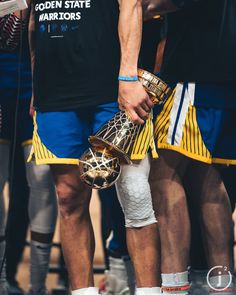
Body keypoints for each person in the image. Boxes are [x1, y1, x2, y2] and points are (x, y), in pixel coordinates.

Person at [28, 0, 161, 294]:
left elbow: (132, 5)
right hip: (56, 91)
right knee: (69, 199)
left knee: (135, 194)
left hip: (111, 88)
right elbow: (34, 22)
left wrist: (127, 76)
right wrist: (36, 86)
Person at [140, 1, 235, 294]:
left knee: (162, 174)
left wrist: (130, 8)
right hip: (222, 68)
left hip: (195, 69)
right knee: (203, 174)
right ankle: (223, 285)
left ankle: (174, 286)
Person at [0, 8, 58, 295]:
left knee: (42, 183)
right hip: (3, 87)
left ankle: (37, 286)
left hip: (40, 82)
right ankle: (2, 279)